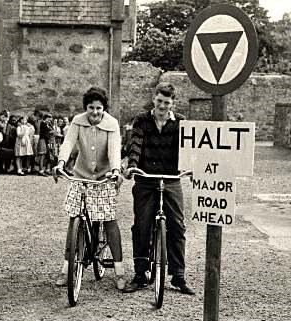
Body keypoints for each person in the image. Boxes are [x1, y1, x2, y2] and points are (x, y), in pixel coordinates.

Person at [122, 82, 195, 295]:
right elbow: (135, 146)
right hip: (146, 178)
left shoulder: (181, 122)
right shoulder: (142, 120)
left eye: (167, 102)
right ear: (154, 98)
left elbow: (189, 149)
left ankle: (178, 275)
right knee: (141, 225)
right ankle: (140, 274)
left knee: (177, 225)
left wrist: (191, 168)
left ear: (173, 103)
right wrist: (133, 167)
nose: (163, 105)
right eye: (159, 101)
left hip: (171, 178)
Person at [52, 87, 126, 290]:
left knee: (110, 220)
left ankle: (119, 271)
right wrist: (60, 163)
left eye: (99, 108)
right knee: (73, 219)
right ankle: (66, 269)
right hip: (81, 176)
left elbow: (114, 150)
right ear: (86, 108)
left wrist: (116, 170)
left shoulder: (111, 124)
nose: (95, 112)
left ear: (104, 108)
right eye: (91, 108)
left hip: (104, 177)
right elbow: (68, 143)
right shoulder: (77, 121)